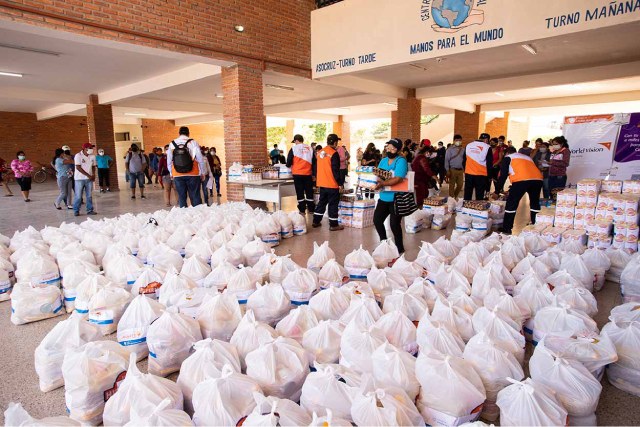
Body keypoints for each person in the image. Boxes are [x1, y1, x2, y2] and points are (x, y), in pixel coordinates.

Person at [494, 148, 543, 235]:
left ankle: (507, 228)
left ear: (507, 153)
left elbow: (503, 176)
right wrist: (511, 189)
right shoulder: (527, 157)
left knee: (511, 203)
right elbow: (524, 171)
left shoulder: (508, 158)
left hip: (521, 180)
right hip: (537, 179)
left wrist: (497, 191)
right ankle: (535, 224)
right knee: (534, 203)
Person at [373, 139, 408, 254]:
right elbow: (378, 175)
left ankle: (399, 247)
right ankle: (384, 244)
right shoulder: (383, 160)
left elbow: (398, 178)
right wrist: (373, 182)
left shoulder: (401, 161)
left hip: (396, 198)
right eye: (388, 147)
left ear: (397, 149)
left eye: (392, 148)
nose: (389, 150)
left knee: (394, 224)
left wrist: (383, 183)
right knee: (377, 220)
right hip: (384, 197)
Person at [167, 126, 207, 208]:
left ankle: (183, 215)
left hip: (177, 174)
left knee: (182, 197)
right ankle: (197, 215)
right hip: (193, 173)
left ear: (179, 133)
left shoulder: (172, 143)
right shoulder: (193, 142)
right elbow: (200, 159)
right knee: (195, 195)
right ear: (188, 133)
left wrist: (171, 173)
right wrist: (203, 172)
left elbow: (169, 161)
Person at [312, 134, 344, 231]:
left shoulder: (319, 152)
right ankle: (334, 225)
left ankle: (316, 221)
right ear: (335, 143)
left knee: (322, 202)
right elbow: (335, 170)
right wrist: (340, 183)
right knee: (333, 204)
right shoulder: (334, 153)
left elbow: (315, 167)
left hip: (322, 183)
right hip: (332, 183)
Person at [287, 134, 315, 214]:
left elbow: (289, 161)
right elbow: (314, 162)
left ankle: (302, 209)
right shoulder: (310, 148)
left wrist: (288, 166)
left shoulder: (293, 148)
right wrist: (314, 174)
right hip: (308, 173)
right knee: (309, 191)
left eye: (295, 142)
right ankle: (311, 209)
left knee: (300, 191)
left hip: (297, 173)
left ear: (296, 140)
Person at [463, 133, 493, 201]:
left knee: (467, 193)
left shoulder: (468, 145)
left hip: (469, 174)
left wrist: (466, 171)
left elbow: (464, 160)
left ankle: (466, 208)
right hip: (481, 175)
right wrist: (489, 176)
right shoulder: (487, 147)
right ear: (486, 140)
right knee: (479, 194)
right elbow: (489, 163)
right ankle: (478, 209)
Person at [73, 143, 97, 216]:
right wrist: (88, 175)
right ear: (84, 148)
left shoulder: (92, 156)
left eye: (91, 148)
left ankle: (90, 210)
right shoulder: (78, 156)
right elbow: (78, 167)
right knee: (78, 196)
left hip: (89, 179)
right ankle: (76, 210)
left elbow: (93, 166)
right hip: (79, 179)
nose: (91, 149)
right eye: (90, 148)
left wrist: (93, 174)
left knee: (89, 195)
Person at [445, 135, 465, 199]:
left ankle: (454, 197)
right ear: (454, 141)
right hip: (452, 170)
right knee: (452, 185)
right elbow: (446, 160)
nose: (458, 142)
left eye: (460, 140)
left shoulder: (463, 149)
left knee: (460, 185)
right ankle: (452, 198)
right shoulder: (449, 149)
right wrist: (447, 170)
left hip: (460, 170)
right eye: (457, 140)